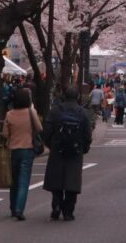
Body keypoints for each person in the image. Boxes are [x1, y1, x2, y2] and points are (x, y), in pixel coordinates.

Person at [42, 87, 90, 222]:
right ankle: (68, 211)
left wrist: (51, 144)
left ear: (64, 96)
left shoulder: (55, 111)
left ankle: (56, 205)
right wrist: (84, 148)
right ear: (78, 97)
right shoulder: (82, 112)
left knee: (56, 179)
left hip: (57, 149)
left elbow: (47, 131)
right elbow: (87, 134)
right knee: (72, 181)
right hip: (75, 150)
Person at [2, 88, 43, 220]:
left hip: (13, 150)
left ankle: (13, 207)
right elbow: (39, 128)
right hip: (28, 148)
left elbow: (5, 134)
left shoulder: (9, 114)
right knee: (23, 181)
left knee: (13, 180)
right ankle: (19, 209)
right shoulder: (31, 112)